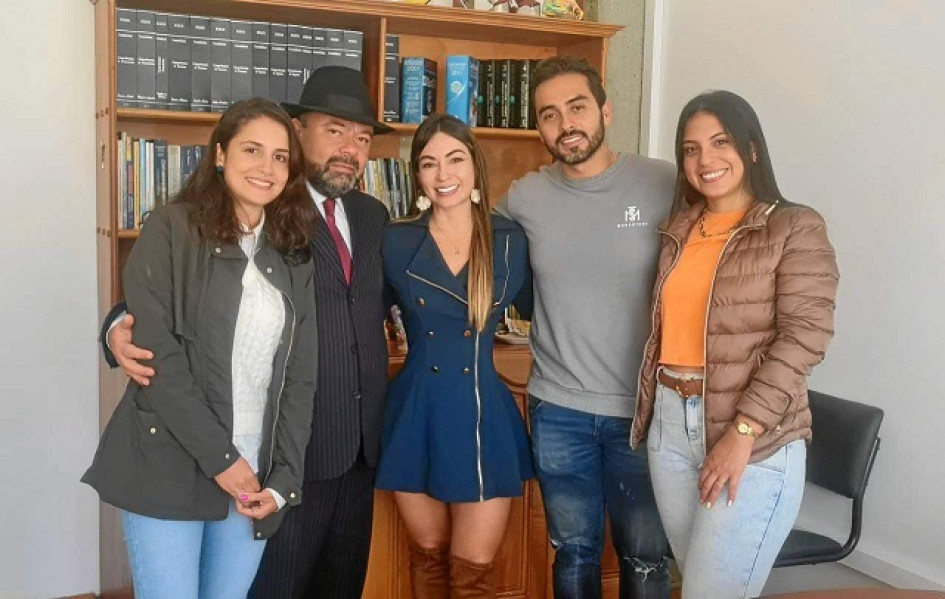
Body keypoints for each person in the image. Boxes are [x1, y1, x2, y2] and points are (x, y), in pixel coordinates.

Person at [100, 66, 394, 598]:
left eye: (363, 136)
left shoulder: (364, 218)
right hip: (223, 454)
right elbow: (169, 318)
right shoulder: (228, 221)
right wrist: (115, 326)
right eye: (335, 129)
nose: (351, 147)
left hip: (326, 453)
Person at [82, 98, 319, 598]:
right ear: (219, 154)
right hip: (169, 463)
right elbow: (158, 358)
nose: (266, 167)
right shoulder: (170, 228)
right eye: (252, 149)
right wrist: (222, 461)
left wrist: (283, 481)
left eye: (280, 157)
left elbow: (301, 376)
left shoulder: (293, 252)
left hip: (253, 475)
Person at [631, 90, 839, 597]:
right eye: (691, 149)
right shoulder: (679, 229)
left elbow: (804, 337)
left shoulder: (794, 226)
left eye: (720, 142)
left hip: (754, 437)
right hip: (670, 426)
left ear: (750, 149)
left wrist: (742, 431)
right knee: (699, 584)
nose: (706, 160)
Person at [497, 56, 673, 598]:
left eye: (577, 107)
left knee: (645, 558)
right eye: (548, 114)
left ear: (605, 110)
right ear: (538, 126)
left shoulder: (663, 182)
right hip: (559, 412)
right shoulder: (524, 197)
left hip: (643, 412)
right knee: (574, 554)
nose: (565, 124)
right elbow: (466, 244)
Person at [375, 113, 535, 598]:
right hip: (415, 413)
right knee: (427, 557)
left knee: (474, 572)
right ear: (417, 177)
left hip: (484, 413)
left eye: (455, 159)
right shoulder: (395, 240)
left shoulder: (510, 240)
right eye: (429, 163)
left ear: (474, 167)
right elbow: (352, 311)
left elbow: (556, 307)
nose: (444, 175)